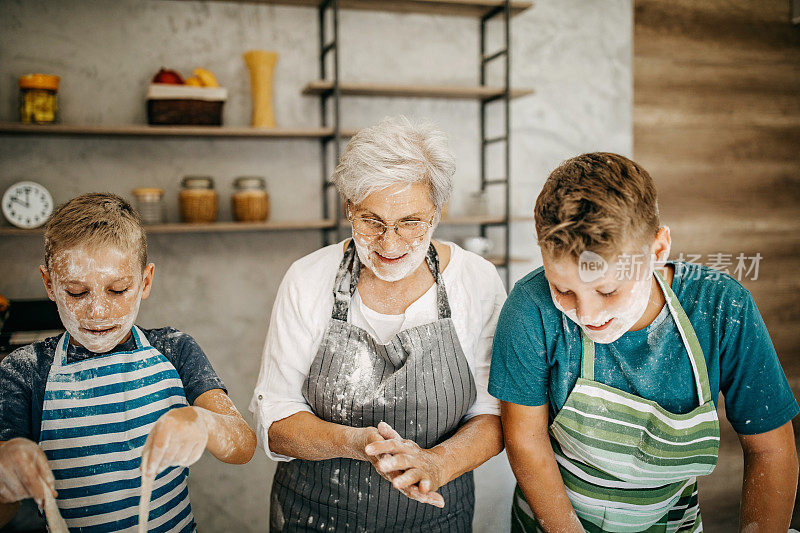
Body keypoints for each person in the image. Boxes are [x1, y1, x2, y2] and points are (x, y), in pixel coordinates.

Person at [489, 153, 799, 532]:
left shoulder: (721, 307)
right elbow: (525, 440)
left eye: (607, 290)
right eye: (564, 289)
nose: (586, 315)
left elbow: (770, 448)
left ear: (657, 251)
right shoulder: (529, 308)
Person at [250, 116, 506, 532]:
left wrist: (437, 463)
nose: (389, 243)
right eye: (372, 221)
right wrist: (356, 443)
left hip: (437, 519)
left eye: (410, 222)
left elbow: (494, 415)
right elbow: (276, 424)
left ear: (438, 212)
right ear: (349, 206)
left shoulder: (475, 281)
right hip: (315, 518)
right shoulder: (308, 278)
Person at [0, 193, 257, 532]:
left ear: (145, 281)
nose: (98, 312)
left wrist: (205, 423)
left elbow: (242, 445)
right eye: (76, 292)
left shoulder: (174, 349)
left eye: (117, 290)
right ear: (50, 283)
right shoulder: (26, 371)